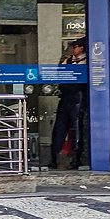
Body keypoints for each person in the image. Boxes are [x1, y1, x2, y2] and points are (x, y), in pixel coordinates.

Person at [48, 37, 87, 170]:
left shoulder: (86, 62)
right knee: (59, 127)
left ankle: (76, 159)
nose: (72, 49)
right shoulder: (68, 60)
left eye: (75, 47)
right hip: (65, 96)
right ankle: (54, 158)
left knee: (77, 127)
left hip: (78, 97)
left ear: (81, 48)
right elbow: (59, 72)